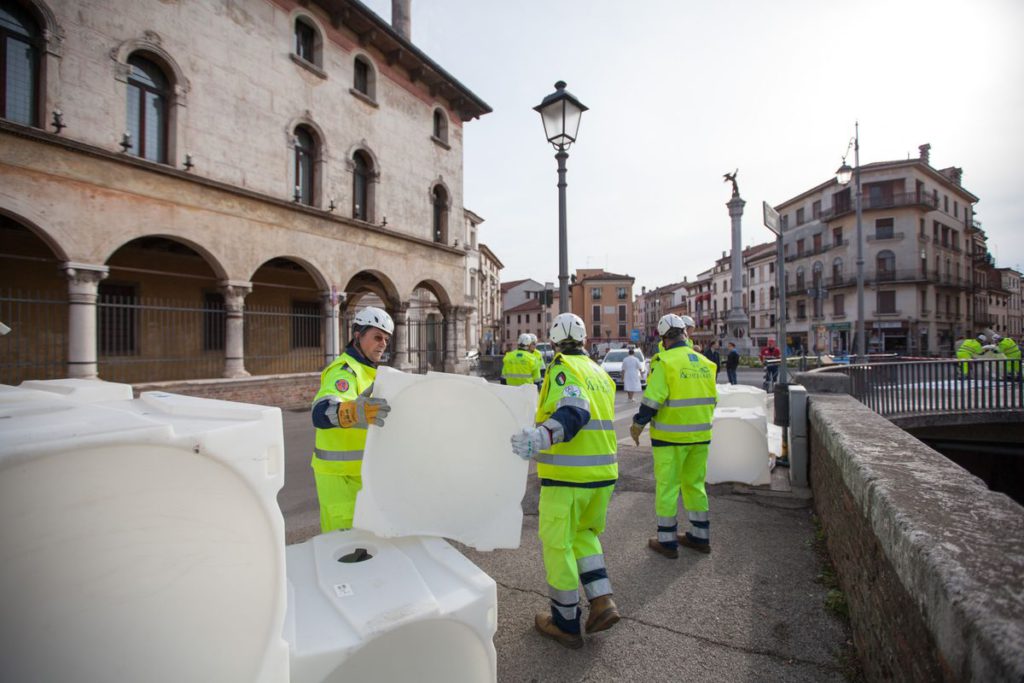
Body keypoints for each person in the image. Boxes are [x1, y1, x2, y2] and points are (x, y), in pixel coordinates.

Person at [510, 312, 620, 649]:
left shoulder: (562, 368)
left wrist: (542, 435)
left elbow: (575, 410)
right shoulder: (599, 371)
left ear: (553, 341)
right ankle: (602, 601)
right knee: (584, 536)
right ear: (585, 339)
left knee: (558, 546)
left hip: (568, 476)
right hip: (602, 474)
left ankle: (565, 622)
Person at [630, 313, 718, 559]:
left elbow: (652, 401)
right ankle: (700, 536)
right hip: (700, 436)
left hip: (670, 439)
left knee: (668, 488)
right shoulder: (705, 364)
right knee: (695, 485)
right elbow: (713, 400)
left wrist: (638, 424)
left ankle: (667, 540)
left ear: (664, 338)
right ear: (685, 334)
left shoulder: (664, 362)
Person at [309, 306, 394, 532]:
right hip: (340, 478)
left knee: (364, 546)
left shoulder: (371, 372)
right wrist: (355, 412)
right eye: (377, 337)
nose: (383, 343)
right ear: (358, 336)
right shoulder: (345, 371)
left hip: (360, 475)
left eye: (386, 339)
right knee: (345, 550)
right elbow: (320, 412)